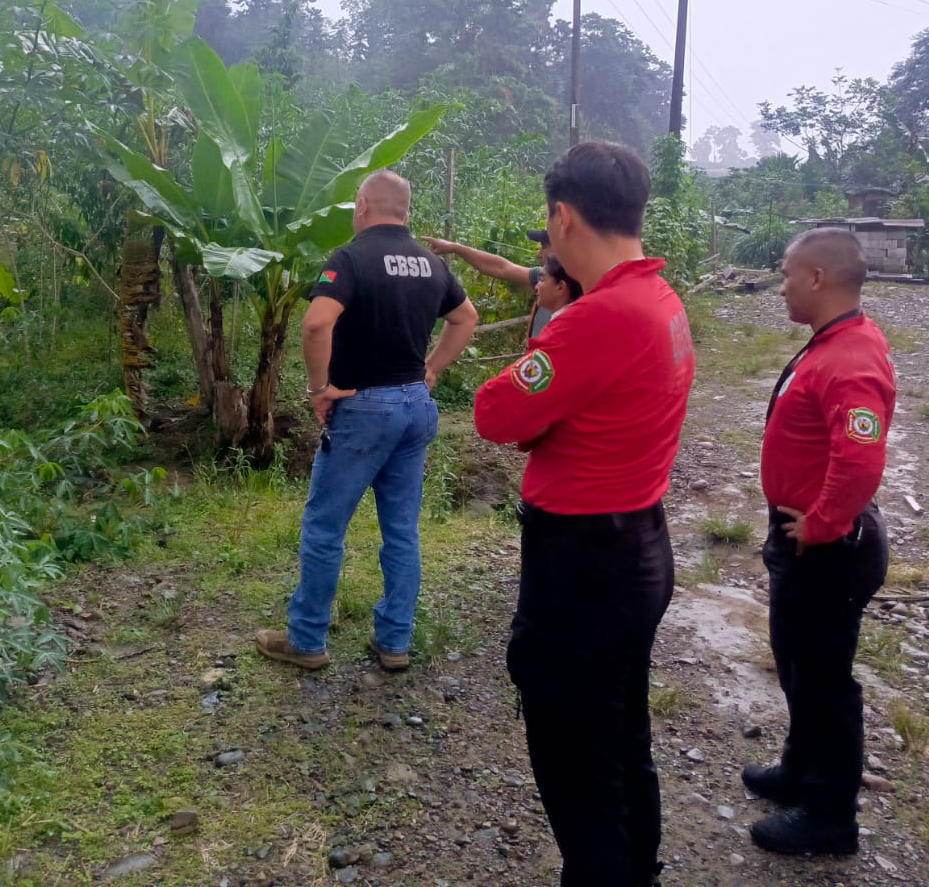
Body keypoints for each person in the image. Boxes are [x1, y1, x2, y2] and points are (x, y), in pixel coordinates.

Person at [473, 141, 696, 887]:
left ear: (563, 217)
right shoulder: (659, 299)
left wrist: (549, 336)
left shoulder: (598, 317)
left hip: (585, 565)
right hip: (635, 543)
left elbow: (495, 412)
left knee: (575, 751)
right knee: (620, 735)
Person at [257, 171, 479, 672]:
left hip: (363, 409)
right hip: (415, 407)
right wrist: (432, 368)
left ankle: (307, 640)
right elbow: (466, 317)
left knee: (324, 526)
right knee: (401, 531)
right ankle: (395, 642)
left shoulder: (350, 258)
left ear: (362, 206)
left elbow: (317, 323)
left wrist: (319, 389)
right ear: (405, 210)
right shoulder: (431, 263)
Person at [745, 228, 894, 857]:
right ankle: (800, 769)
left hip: (827, 550)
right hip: (803, 541)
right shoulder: (832, 341)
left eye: (786, 274)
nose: (781, 286)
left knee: (826, 683)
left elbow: (860, 458)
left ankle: (831, 817)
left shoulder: (850, 356)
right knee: (798, 666)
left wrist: (822, 524)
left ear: (816, 278)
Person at [425, 229, 556, 337]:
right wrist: (456, 248)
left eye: (544, 247)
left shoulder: (565, 289)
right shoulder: (544, 278)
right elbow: (501, 268)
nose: (539, 254)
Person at [536, 253, 584, 318]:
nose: (536, 287)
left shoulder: (562, 322)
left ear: (560, 287)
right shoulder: (578, 316)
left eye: (542, 279)